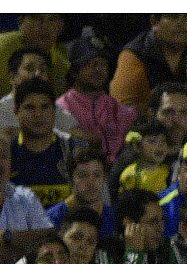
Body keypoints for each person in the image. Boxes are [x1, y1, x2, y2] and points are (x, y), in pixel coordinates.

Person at [57, 33, 136, 165]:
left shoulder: (120, 109)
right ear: (74, 71)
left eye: (103, 64)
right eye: (91, 64)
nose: (99, 70)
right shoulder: (61, 107)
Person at [0, 130, 56, 264]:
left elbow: (47, 240)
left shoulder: (25, 197)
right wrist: (24, 246)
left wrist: (7, 237)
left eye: (3, 156)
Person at [10, 77, 77, 209]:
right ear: (16, 112)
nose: (38, 114)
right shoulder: (5, 154)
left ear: (54, 111)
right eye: (30, 108)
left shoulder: (73, 151)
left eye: (45, 107)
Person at [109, 14, 187, 110]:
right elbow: (125, 108)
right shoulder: (135, 55)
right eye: (172, 16)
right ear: (154, 22)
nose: (181, 24)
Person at [0, 46, 79, 134]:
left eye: (42, 70)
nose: (38, 74)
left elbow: (77, 135)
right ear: (13, 77)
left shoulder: (55, 108)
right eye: (30, 69)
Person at [0, 14, 68, 103]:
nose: (45, 26)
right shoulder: (4, 46)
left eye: (52, 19)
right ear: (21, 22)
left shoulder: (62, 63)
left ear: (61, 26)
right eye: (36, 18)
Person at [48, 145, 117, 240]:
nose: (91, 183)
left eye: (97, 175)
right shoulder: (51, 219)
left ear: (104, 178)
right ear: (70, 179)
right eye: (83, 175)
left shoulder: (114, 218)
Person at [118, 119, 174, 195]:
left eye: (163, 141)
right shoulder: (130, 174)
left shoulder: (169, 171)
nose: (160, 146)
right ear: (137, 146)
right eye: (153, 141)